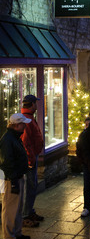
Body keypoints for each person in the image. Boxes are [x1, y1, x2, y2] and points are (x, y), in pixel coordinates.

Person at [0, 113, 31, 239]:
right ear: (16, 125)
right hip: (12, 178)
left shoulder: (14, 137)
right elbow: (7, 161)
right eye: (23, 124)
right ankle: (9, 237)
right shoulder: (8, 140)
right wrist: (12, 179)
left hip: (17, 176)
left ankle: (16, 233)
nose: (25, 126)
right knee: (10, 208)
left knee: (17, 207)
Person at [21, 94, 44, 227]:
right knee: (29, 186)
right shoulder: (26, 119)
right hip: (30, 159)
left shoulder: (29, 117)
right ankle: (25, 215)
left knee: (32, 185)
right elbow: (26, 142)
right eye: (35, 103)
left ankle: (29, 211)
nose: (37, 105)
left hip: (33, 156)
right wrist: (30, 160)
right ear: (31, 104)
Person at [76, 117, 90, 217]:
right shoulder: (82, 135)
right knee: (86, 186)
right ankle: (87, 207)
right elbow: (79, 148)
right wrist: (82, 160)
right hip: (86, 165)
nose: (87, 127)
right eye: (86, 125)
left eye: (89, 125)